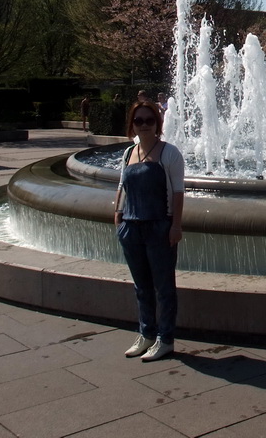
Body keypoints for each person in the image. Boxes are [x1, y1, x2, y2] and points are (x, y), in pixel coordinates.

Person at [113, 100, 185, 361]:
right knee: (141, 286)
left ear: (158, 123)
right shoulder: (128, 153)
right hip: (131, 227)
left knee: (164, 287)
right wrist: (118, 214)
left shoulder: (169, 153)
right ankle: (146, 334)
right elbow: (122, 184)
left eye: (149, 120)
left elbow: (178, 192)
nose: (144, 125)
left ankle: (165, 339)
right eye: (138, 120)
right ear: (131, 124)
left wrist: (175, 225)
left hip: (159, 227)